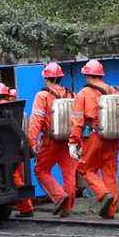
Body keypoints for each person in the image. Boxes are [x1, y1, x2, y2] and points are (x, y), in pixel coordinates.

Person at [71, 59, 119, 218]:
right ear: (101, 75)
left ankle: (103, 194)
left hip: (95, 136)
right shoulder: (114, 90)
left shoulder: (84, 94)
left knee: (85, 168)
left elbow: (77, 121)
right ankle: (110, 211)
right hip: (113, 138)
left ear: (87, 76)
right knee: (110, 173)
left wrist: (73, 142)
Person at [28, 62, 79, 215]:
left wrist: (32, 141)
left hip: (51, 140)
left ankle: (59, 196)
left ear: (46, 79)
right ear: (60, 78)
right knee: (69, 174)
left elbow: (36, 119)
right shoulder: (71, 94)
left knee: (41, 169)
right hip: (69, 140)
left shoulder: (42, 95)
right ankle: (68, 208)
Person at [0, 80, 37, 218]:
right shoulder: (15, 109)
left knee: (13, 177)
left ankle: (26, 208)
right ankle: (25, 206)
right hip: (17, 148)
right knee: (15, 175)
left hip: (3, 151)